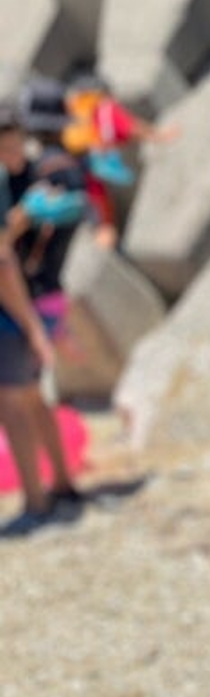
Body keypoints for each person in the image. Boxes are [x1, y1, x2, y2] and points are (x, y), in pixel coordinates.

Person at [0, 88, 89, 535]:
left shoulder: (27, 183)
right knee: (34, 398)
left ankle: (36, 501)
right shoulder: (40, 176)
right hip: (37, 302)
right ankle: (63, 485)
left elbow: (2, 261)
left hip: (19, 308)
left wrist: (35, 329)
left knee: (14, 404)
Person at [62, 73, 179, 250]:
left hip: (87, 183)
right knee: (112, 229)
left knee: (104, 230)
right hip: (114, 178)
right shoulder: (107, 110)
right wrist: (159, 136)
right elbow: (132, 127)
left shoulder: (75, 118)